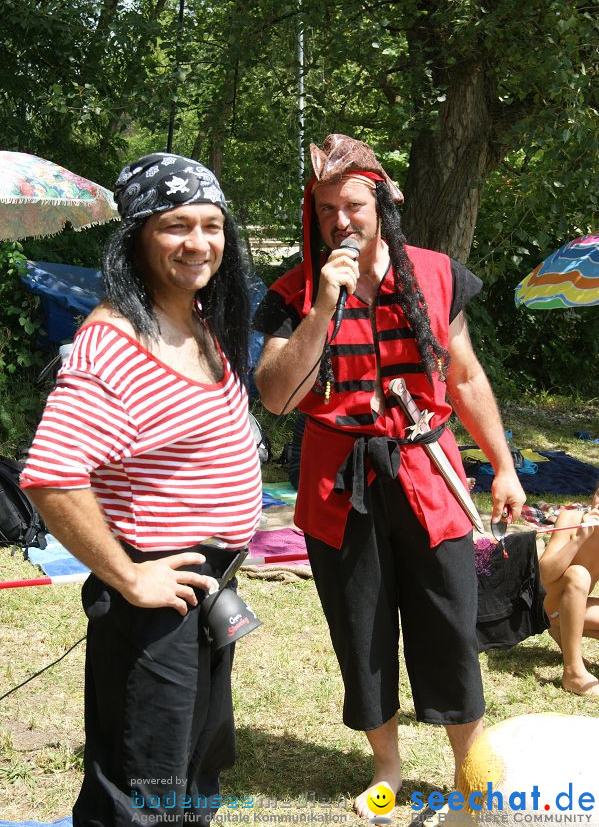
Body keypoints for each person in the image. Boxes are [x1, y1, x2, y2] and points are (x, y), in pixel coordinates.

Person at [253, 134, 525, 817]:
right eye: (324, 210)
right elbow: (278, 395)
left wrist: (502, 465)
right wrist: (322, 307)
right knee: (360, 627)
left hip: (425, 471)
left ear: (380, 203)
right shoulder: (293, 290)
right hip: (336, 480)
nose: (339, 221)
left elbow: (463, 376)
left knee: (446, 619)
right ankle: (387, 769)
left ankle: (470, 764)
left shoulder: (434, 274)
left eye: (352, 204)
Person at [21, 153, 262, 827]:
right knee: (143, 789)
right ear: (136, 238)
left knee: (191, 774)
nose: (198, 243)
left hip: (203, 593)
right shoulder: (115, 342)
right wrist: (128, 576)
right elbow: (51, 473)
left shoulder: (196, 323)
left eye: (211, 225)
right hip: (155, 602)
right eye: (175, 225)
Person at [540, 482, 599, 696]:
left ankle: (561, 630)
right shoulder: (571, 518)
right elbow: (544, 575)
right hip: (545, 603)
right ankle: (573, 672)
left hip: (571, 606)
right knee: (578, 574)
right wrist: (579, 539)